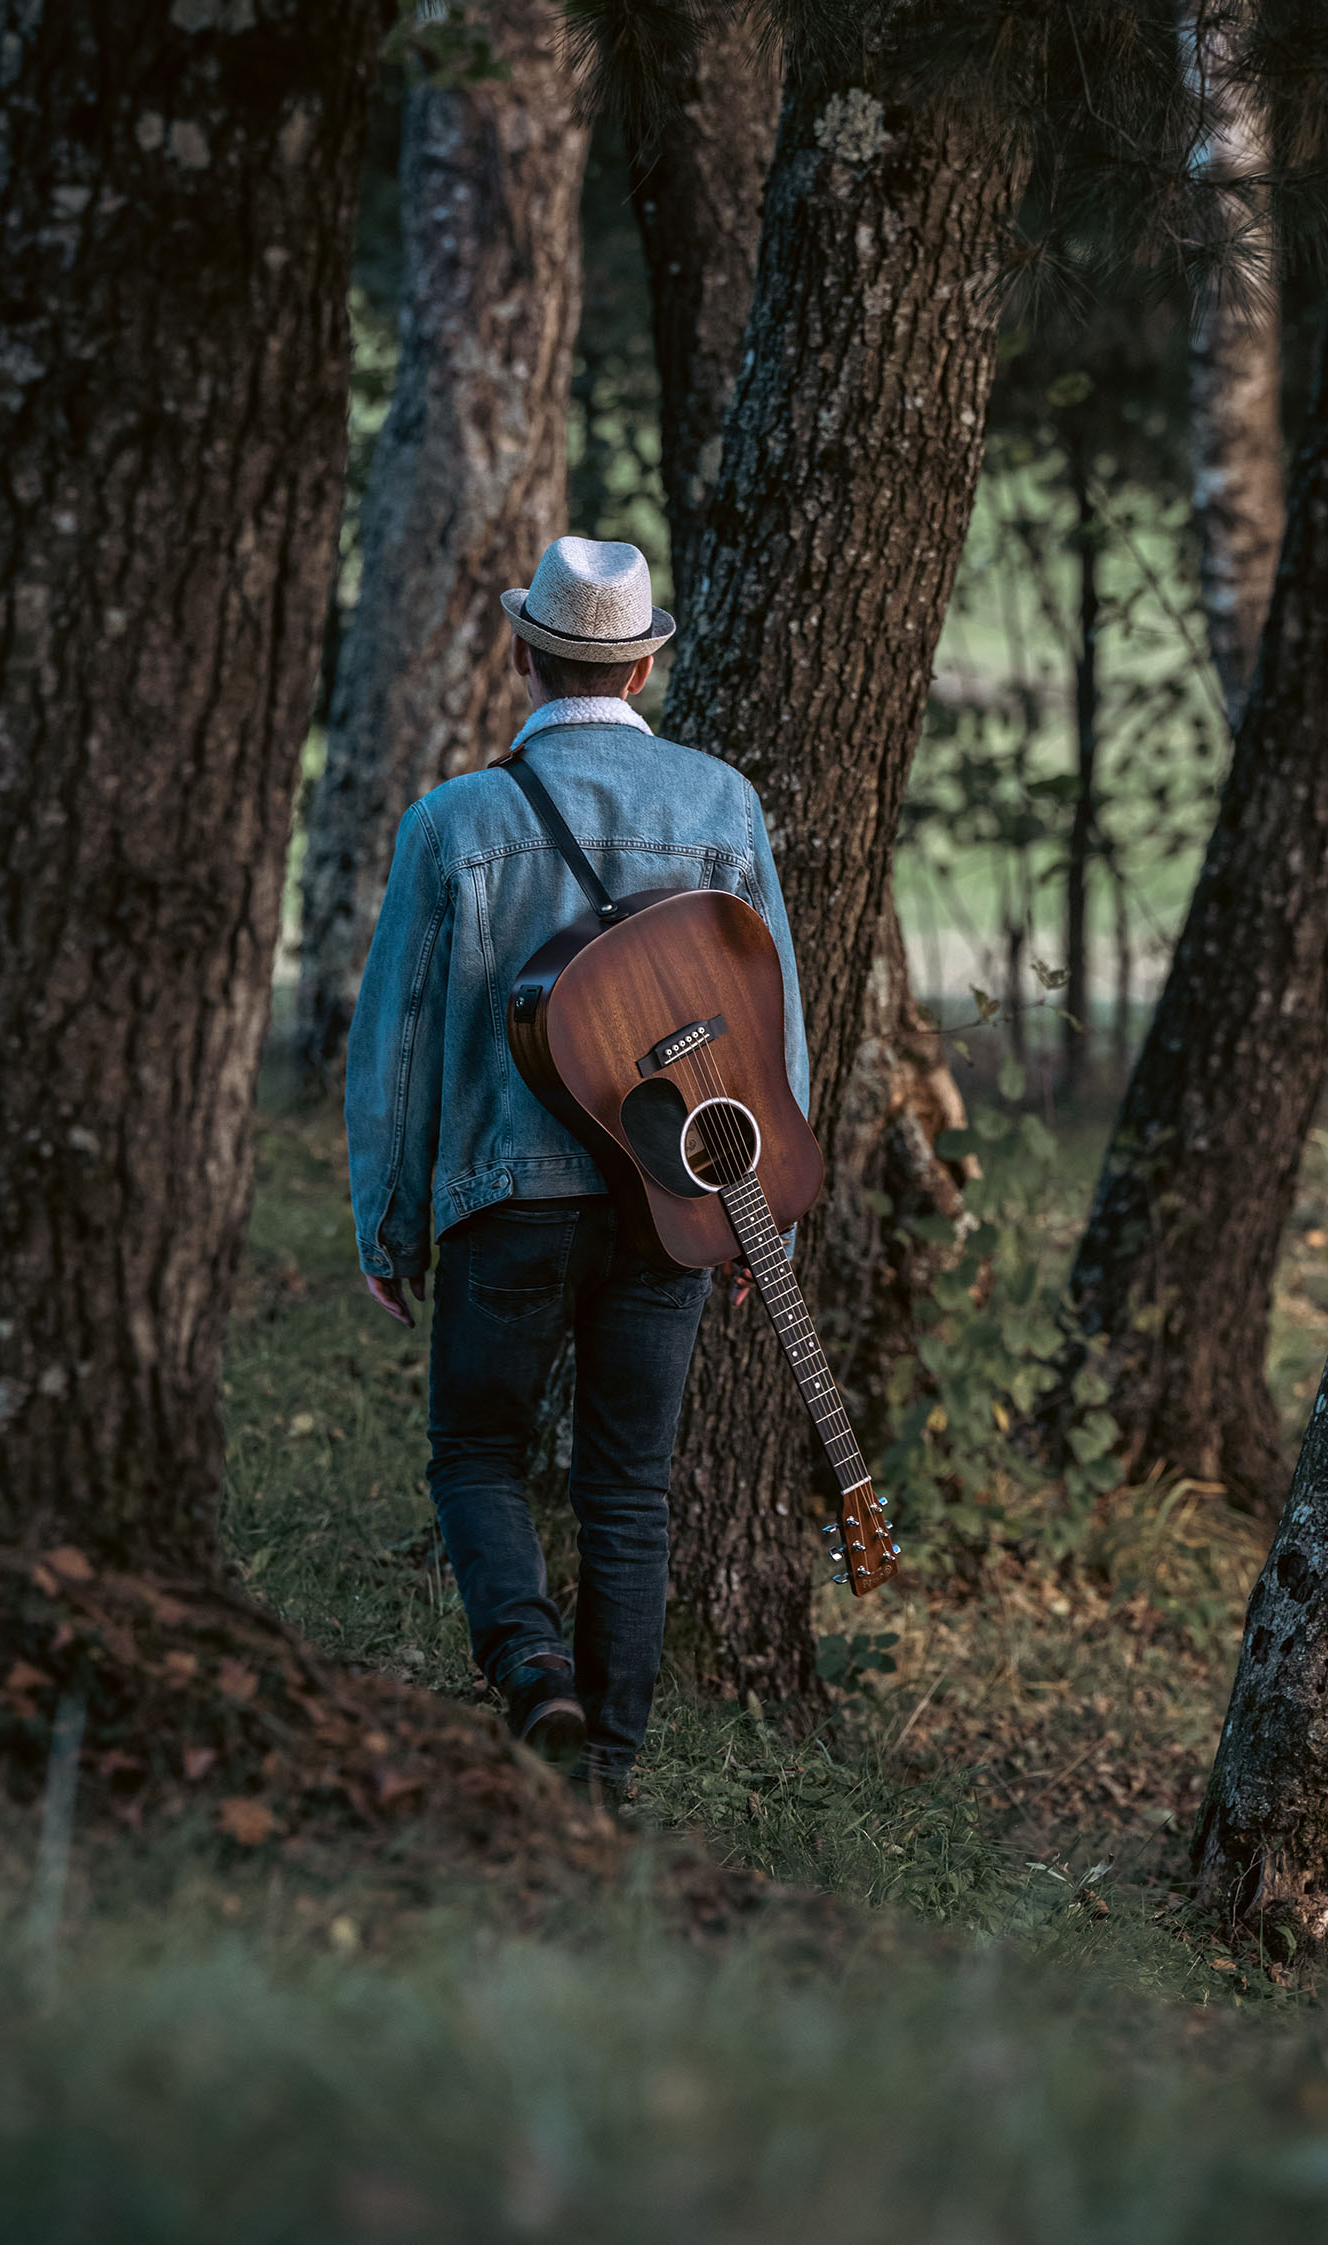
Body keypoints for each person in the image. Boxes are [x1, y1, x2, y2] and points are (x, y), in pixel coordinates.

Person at [344, 537, 808, 1796]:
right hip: (673, 1206)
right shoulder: (724, 808)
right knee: (629, 1489)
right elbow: (771, 1032)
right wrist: (752, 1217)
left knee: (475, 1453)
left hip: (506, 1195)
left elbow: (394, 1042)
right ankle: (604, 1773)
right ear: (647, 664)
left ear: (520, 653)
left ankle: (531, 1669)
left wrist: (385, 1222)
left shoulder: (452, 821)